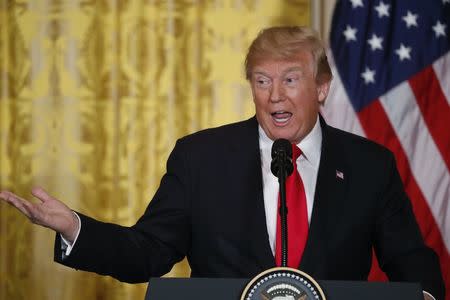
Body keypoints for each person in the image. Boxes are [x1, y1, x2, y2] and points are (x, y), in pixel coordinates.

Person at [0, 26, 445, 300]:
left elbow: (409, 258)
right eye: (262, 80)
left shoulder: (370, 164)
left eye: (291, 80)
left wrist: (424, 294)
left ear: (322, 88)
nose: (275, 96)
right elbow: (148, 253)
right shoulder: (201, 158)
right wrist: (75, 227)